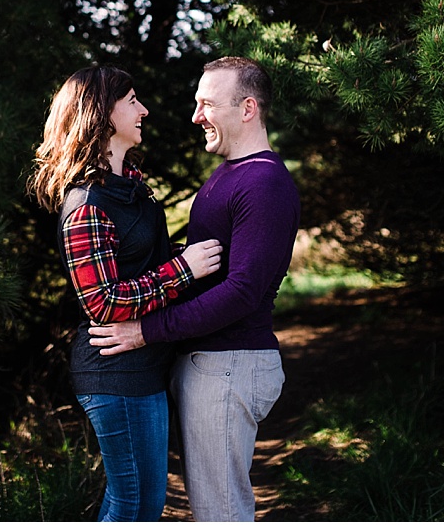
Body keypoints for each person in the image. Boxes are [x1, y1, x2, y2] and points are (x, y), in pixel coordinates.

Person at [88, 56, 301, 522]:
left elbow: (242, 291)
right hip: (210, 366)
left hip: (228, 366)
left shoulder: (263, 182)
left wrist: (146, 330)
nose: (195, 116)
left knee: (219, 515)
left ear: (247, 109)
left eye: (207, 104)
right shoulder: (229, 174)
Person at [26, 65, 223, 522]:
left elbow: (142, 261)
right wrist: (184, 268)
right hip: (115, 373)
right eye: (132, 100)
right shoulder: (87, 203)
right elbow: (103, 302)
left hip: (142, 366)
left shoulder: (130, 187)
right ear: (101, 112)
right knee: (136, 505)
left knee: (135, 502)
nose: (144, 110)